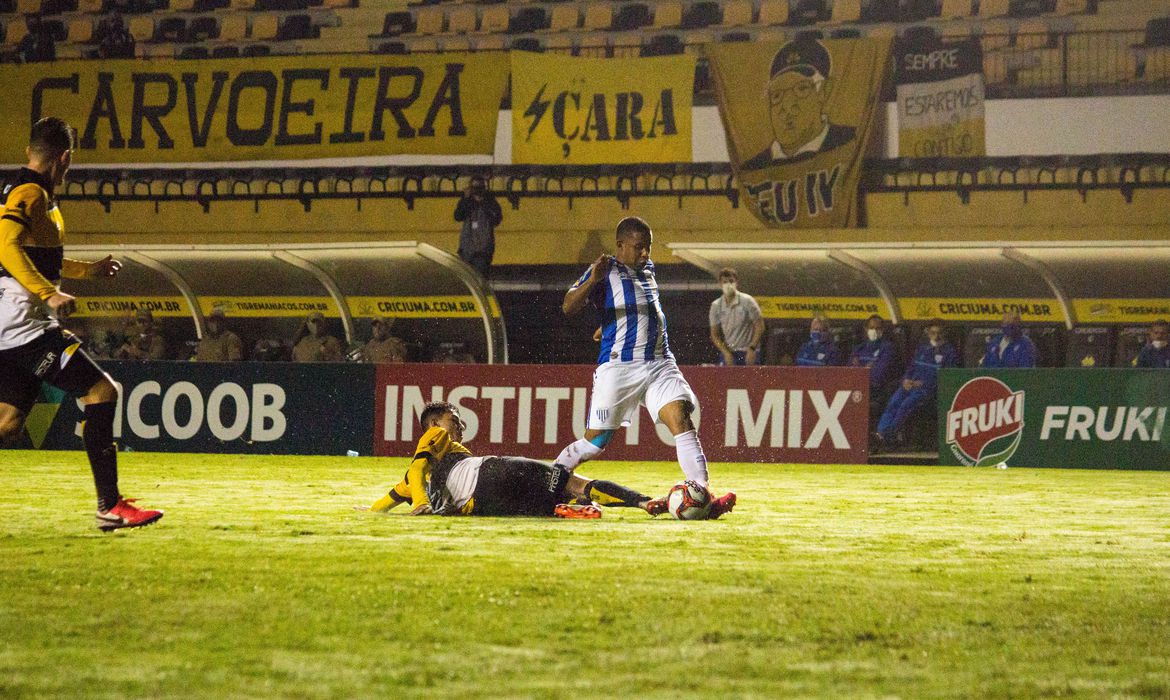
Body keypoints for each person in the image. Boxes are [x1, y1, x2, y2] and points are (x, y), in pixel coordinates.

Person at [0, 117, 162, 531]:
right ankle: (110, 505)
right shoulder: (30, 193)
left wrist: (89, 272)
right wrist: (48, 294)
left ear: (29, 151)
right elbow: (5, 247)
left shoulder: (32, 195)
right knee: (102, 390)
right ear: (65, 158)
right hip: (26, 326)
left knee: (8, 424)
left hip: (16, 325)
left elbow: (42, 259)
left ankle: (110, 504)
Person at [551, 216, 736, 519]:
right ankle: (550, 484)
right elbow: (569, 305)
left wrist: (611, 325)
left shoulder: (647, 268)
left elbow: (641, 307)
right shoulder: (604, 269)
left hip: (659, 363)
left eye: (648, 248)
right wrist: (593, 280)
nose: (645, 254)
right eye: (638, 248)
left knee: (681, 418)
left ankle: (702, 494)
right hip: (620, 368)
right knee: (594, 443)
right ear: (620, 246)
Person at [364, 401, 669, 519]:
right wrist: (420, 503)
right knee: (572, 483)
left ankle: (570, 510)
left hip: (483, 507)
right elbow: (417, 469)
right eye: (452, 419)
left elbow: (386, 502)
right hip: (492, 472)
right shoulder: (436, 438)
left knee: (547, 504)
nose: (458, 426)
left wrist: (366, 511)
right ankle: (643, 502)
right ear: (433, 424)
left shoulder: (410, 479)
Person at [741, 37, 856, 169]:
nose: (787, 106)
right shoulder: (753, 168)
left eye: (801, 89)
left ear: (824, 91)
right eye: (777, 95)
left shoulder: (851, 142)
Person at [874, 320, 960, 449]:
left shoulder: (950, 352)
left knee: (905, 405)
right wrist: (906, 379)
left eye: (939, 333)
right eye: (933, 332)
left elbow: (947, 376)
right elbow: (911, 367)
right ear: (928, 333)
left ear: (944, 333)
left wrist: (924, 384)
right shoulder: (922, 349)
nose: (936, 336)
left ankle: (888, 435)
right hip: (909, 385)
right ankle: (880, 433)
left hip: (927, 390)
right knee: (893, 402)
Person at [847, 314, 899, 426]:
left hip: (875, 389)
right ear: (866, 329)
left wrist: (859, 367)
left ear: (883, 330)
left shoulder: (888, 348)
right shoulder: (859, 348)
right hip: (854, 386)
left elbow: (878, 374)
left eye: (878, 328)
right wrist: (867, 368)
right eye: (871, 328)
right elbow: (849, 371)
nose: (874, 331)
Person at [709, 267, 764, 366]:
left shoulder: (748, 301)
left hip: (748, 351)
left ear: (736, 282)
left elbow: (760, 326)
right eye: (725, 282)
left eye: (731, 281)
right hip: (729, 351)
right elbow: (714, 334)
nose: (728, 284)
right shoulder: (716, 305)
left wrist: (752, 349)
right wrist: (725, 353)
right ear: (720, 284)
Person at [453, 175, 503, 279]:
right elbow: (458, 216)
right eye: (474, 188)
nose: (477, 191)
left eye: (479, 188)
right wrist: (466, 199)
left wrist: (484, 202)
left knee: (480, 279)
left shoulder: (490, 202)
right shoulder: (467, 202)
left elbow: (497, 220)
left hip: (482, 252)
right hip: (467, 250)